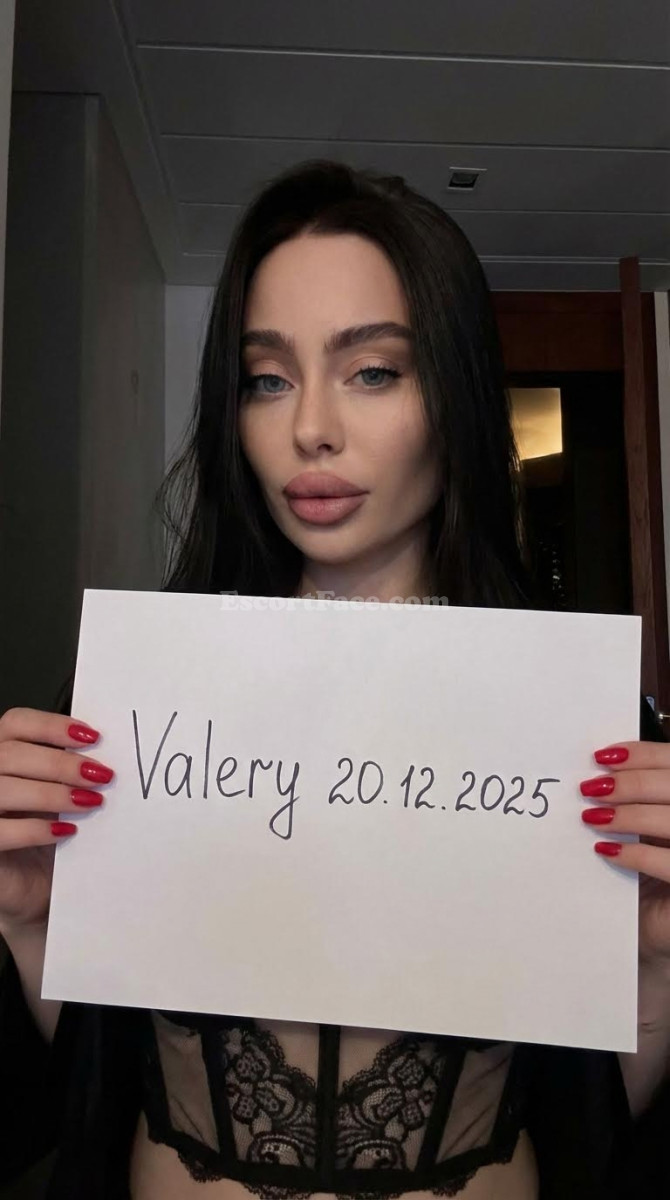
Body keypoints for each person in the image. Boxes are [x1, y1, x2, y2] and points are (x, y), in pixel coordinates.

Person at [1, 159, 669, 1200]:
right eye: (267, 379)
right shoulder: (137, 710)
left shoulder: (573, 734)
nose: (310, 426)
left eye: (372, 371)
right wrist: (35, 925)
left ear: (454, 392)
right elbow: (100, 1082)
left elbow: (587, 1116)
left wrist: (658, 963)